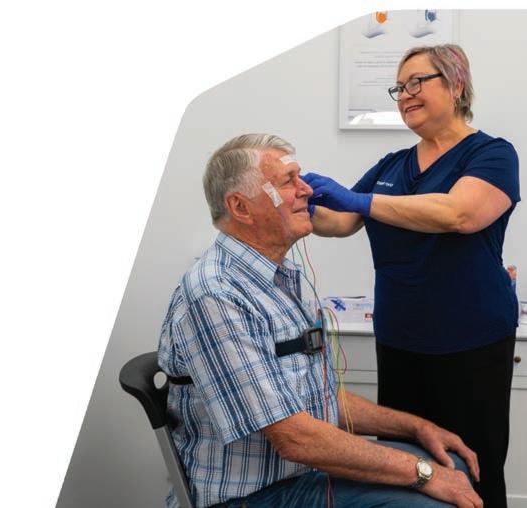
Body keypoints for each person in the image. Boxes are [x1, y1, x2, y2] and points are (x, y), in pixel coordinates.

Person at [158, 133, 483, 508]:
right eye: (288, 181)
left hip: (299, 474)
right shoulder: (216, 294)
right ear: (240, 207)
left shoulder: (283, 278)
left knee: (451, 461)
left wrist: (417, 427)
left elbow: (319, 399)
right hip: (252, 496)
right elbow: (295, 437)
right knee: (437, 500)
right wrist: (422, 474)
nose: (307, 190)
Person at [303, 44, 520, 508]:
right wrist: (294, 204)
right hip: (400, 342)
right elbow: (339, 220)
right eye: (399, 88)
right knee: (403, 470)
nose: (404, 95)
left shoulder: (492, 155)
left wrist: (361, 201)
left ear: (456, 85)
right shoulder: (392, 166)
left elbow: (459, 214)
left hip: (471, 345)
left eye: (417, 82)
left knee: (472, 467)